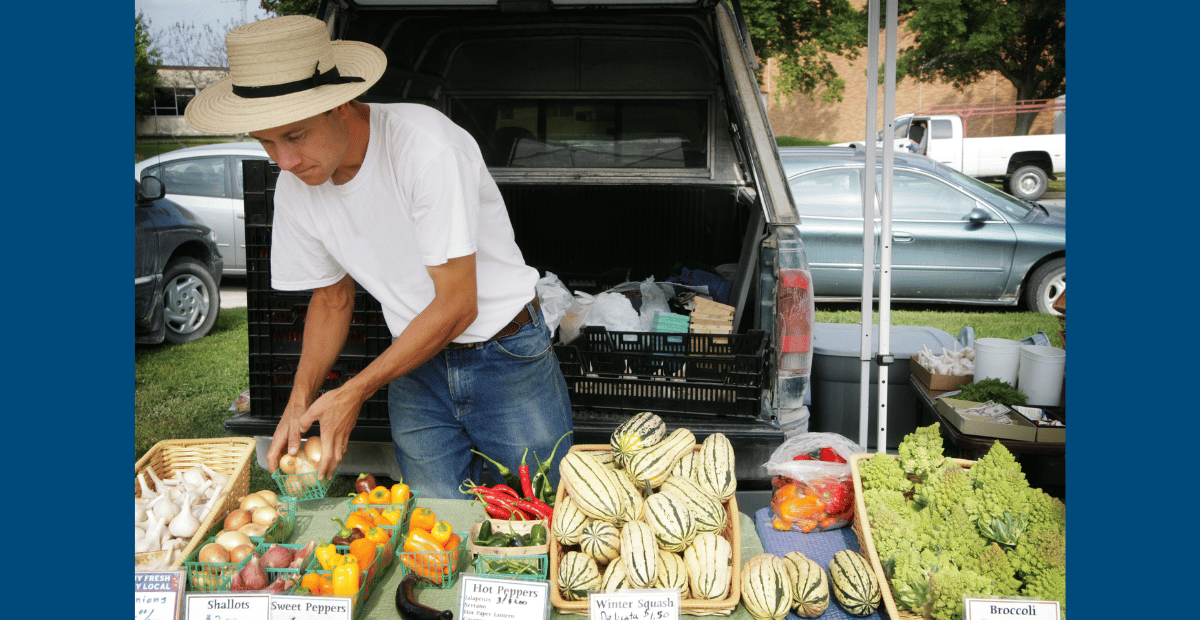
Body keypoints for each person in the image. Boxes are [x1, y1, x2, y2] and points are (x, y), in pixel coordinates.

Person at [185, 15, 574, 499]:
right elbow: (331, 300)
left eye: (296, 135)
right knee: (434, 527)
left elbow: (458, 304)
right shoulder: (294, 186)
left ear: (342, 103)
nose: (283, 162)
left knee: (539, 509)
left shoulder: (426, 149)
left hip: (506, 353)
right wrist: (299, 401)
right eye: (266, 142)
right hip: (411, 363)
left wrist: (353, 391)